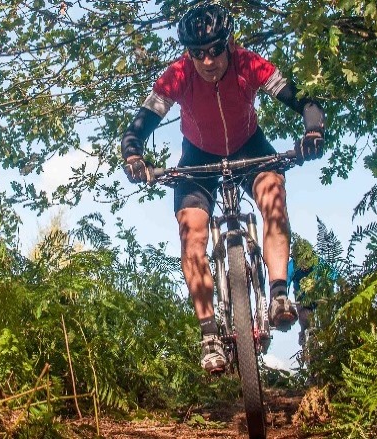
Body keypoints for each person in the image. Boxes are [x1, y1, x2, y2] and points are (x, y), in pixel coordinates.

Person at [120, 4, 326, 373]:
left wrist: (312, 129)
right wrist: (134, 156)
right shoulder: (177, 76)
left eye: (215, 49)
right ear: (188, 53)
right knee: (192, 234)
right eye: (198, 53)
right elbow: (138, 126)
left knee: (273, 199)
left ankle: (279, 294)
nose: (208, 60)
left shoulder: (249, 64)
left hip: (250, 147)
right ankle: (209, 333)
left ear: (228, 43)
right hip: (197, 157)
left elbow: (303, 99)